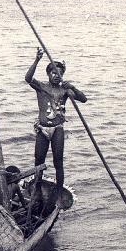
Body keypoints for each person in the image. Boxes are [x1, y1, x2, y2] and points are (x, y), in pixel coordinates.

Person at [25, 48, 87, 206]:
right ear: (48, 73)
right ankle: (37, 190)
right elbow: (28, 78)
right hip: (43, 129)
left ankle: (59, 193)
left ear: (62, 75)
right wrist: (37, 60)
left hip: (58, 128)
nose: (55, 76)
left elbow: (83, 99)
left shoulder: (64, 90)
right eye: (53, 73)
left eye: (59, 73)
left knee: (58, 161)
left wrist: (72, 87)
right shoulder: (41, 86)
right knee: (39, 160)